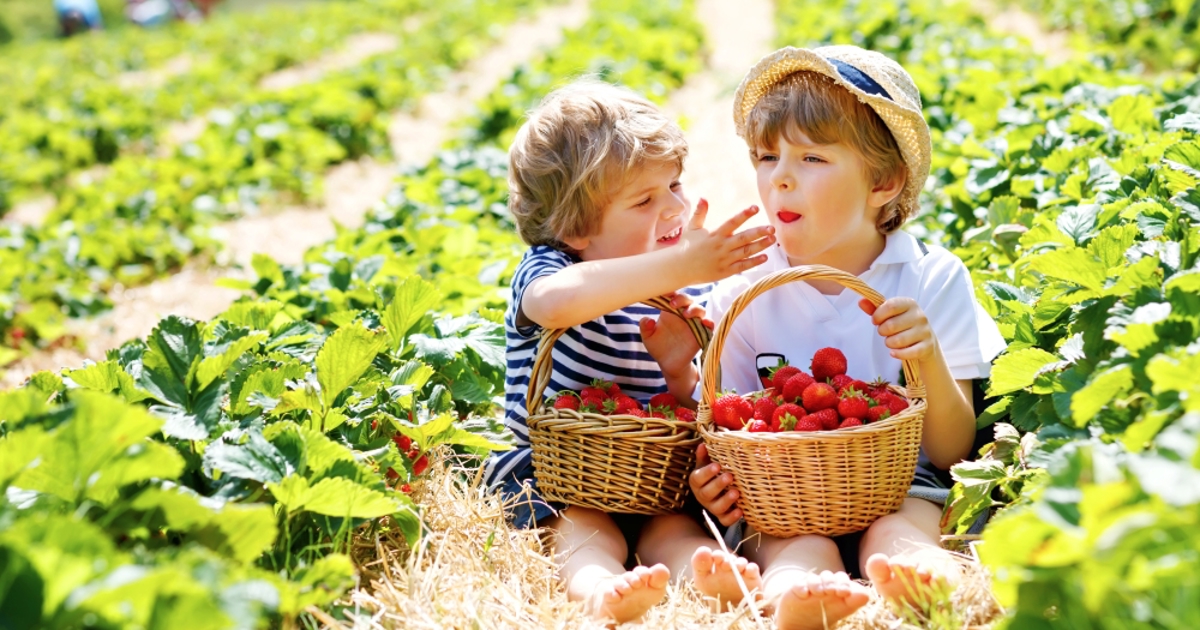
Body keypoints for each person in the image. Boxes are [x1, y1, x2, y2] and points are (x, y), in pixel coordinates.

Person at [687, 45, 1006, 629]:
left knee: (902, 528)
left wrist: (926, 357)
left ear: (883, 182)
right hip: (783, 493)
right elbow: (729, 428)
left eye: (811, 158)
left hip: (901, 482)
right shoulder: (745, 289)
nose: (779, 176)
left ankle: (924, 577)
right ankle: (796, 594)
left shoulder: (930, 279)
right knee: (790, 544)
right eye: (766, 156)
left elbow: (950, 451)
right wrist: (717, 484)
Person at [483, 80, 777, 623]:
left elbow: (687, 406)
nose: (674, 207)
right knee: (582, 529)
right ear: (573, 228)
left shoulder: (675, 294)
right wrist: (682, 266)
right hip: (561, 476)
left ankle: (706, 576)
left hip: (650, 480)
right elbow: (552, 305)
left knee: (675, 529)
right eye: (644, 200)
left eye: (675, 185)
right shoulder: (552, 271)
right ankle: (598, 588)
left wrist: (676, 368)